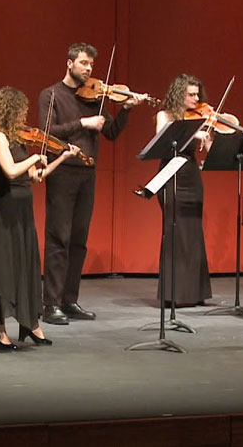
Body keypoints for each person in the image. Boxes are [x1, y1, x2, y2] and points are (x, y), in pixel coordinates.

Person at [39, 42, 144, 325]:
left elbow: (110, 132)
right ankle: (50, 303)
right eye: (84, 63)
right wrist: (83, 124)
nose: (88, 69)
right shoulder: (51, 95)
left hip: (88, 174)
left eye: (91, 65)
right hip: (62, 174)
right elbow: (47, 133)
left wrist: (126, 111)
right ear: (69, 63)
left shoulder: (94, 97)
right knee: (58, 238)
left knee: (78, 241)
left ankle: (69, 300)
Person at [0, 86, 81, 350]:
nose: (24, 115)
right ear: (9, 109)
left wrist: (61, 157)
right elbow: (11, 171)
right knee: (3, 271)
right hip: (4, 212)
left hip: (22, 213)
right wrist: (35, 156)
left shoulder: (18, 138)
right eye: (20, 109)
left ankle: (31, 325)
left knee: (24, 268)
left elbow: (35, 177)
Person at [154, 73, 214, 307]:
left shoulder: (200, 116)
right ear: (179, 95)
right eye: (191, 94)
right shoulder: (164, 115)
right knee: (175, 233)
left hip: (191, 176)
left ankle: (195, 293)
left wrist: (208, 140)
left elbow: (209, 150)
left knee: (193, 233)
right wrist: (192, 132)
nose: (196, 98)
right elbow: (161, 139)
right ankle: (173, 294)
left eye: (197, 94)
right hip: (170, 175)